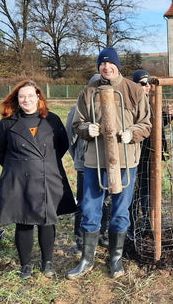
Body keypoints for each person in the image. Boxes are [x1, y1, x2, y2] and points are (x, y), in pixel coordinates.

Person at [67, 47, 151, 279]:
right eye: (102, 64)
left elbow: (146, 124)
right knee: (90, 209)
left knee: (120, 210)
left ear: (117, 66)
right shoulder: (88, 92)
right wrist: (87, 129)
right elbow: (77, 124)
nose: (106, 67)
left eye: (110, 63)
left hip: (126, 160)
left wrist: (131, 133)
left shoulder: (134, 91)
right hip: (95, 161)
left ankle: (115, 258)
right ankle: (87, 259)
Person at [0, 80, 76, 279]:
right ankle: (25, 266)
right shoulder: (7, 123)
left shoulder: (52, 120)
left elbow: (61, 146)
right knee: (24, 222)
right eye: (22, 97)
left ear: (38, 97)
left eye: (30, 95)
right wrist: (18, 166)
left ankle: (48, 263)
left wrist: (43, 164)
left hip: (48, 178)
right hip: (20, 181)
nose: (26, 99)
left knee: (47, 221)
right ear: (17, 100)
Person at [65, 74, 111, 255]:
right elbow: (70, 137)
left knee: (107, 201)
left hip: (108, 164)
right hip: (86, 166)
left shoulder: (111, 108)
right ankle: (81, 240)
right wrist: (79, 158)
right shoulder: (77, 109)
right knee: (85, 203)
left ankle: (102, 234)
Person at [129, 69, 173, 239]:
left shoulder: (152, 100)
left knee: (147, 190)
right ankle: (132, 224)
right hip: (135, 153)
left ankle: (147, 222)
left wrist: (167, 117)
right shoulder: (131, 103)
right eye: (143, 83)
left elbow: (155, 124)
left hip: (150, 154)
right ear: (135, 85)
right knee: (133, 190)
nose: (147, 86)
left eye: (149, 83)